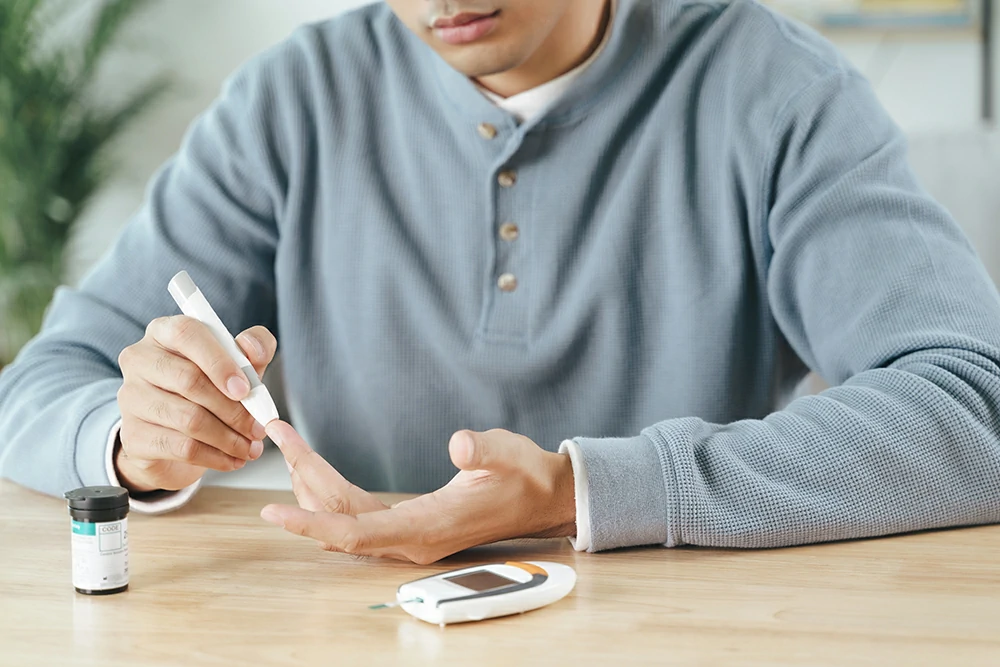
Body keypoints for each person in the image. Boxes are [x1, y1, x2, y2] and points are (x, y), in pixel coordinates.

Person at [2, 0, 999, 564]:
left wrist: (584, 490)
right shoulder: (291, 102)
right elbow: (39, 389)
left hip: (685, 628)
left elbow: (974, 402)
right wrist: (133, 438)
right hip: (365, 631)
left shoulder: (776, 90)